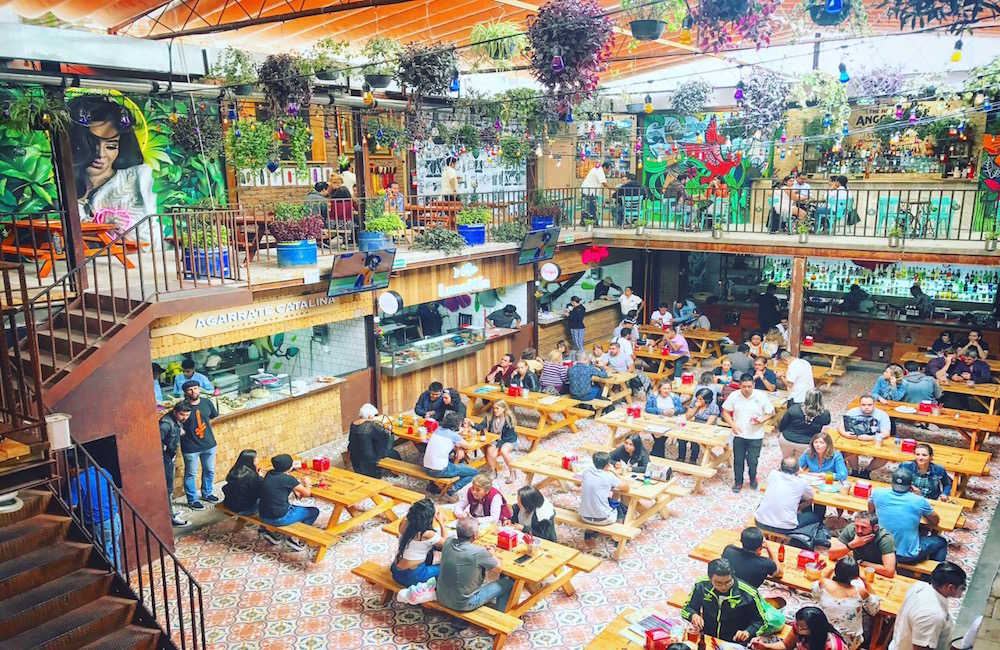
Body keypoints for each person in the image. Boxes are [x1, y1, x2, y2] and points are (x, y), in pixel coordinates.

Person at [69, 95, 156, 236]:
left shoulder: (138, 180)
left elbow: (151, 234)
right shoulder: (64, 184)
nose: (100, 155)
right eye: (92, 145)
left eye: (110, 147)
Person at [869, 468, 947, 564]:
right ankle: (937, 570)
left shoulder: (877, 493)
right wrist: (920, 496)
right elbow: (935, 521)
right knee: (941, 542)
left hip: (879, 551)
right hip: (905, 556)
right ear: (911, 485)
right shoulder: (919, 500)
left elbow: (871, 512)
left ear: (892, 482)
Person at [436, 517, 514, 612]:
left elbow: (446, 538)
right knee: (509, 582)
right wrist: (492, 554)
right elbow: (498, 568)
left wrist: (441, 523)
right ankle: (502, 613)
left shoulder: (448, 542)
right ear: (475, 535)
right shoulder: (479, 552)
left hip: (441, 597)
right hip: (464, 604)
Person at [681, 558, 768, 643]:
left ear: (733, 576)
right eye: (718, 583)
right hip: (707, 635)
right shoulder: (701, 585)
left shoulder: (749, 593)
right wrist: (693, 615)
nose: (723, 587)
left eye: (728, 582)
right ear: (710, 578)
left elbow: (762, 622)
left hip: (735, 641)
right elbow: (687, 608)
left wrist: (748, 632)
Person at [888, 562, 966, 650]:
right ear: (950, 588)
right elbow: (920, 647)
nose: (962, 592)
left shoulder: (920, 586)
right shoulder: (932, 615)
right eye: (962, 588)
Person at [723, 373, 776, 492]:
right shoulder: (734, 395)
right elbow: (725, 412)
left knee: (753, 461)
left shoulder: (761, 396)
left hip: (756, 435)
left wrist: (761, 419)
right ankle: (738, 482)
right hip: (739, 434)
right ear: (739, 386)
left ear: (753, 385)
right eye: (744, 387)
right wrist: (733, 425)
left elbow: (771, 412)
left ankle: (753, 479)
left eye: (749, 386)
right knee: (738, 460)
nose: (747, 389)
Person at [258, 454, 320, 549]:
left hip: (263, 515)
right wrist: (307, 483)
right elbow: (307, 494)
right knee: (314, 511)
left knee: (294, 507)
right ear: (290, 467)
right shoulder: (288, 479)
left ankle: (272, 532)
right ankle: (295, 538)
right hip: (278, 518)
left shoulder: (269, 473)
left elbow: (291, 491)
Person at [69, 463, 122, 570]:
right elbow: (111, 489)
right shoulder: (102, 471)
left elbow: (71, 505)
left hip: (100, 523)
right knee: (114, 550)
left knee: (108, 555)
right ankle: (119, 574)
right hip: (114, 517)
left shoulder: (78, 480)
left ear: (76, 467)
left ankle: (116, 578)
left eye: (69, 469)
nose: (69, 473)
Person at [179, 381, 219, 510]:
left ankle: (207, 493)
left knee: (209, 470)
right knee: (191, 474)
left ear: (199, 389)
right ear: (185, 392)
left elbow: (213, 416)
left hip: (209, 444)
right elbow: (174, 420)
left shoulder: (207, 402)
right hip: (190, 447)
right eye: (190, 389)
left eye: (195, 388)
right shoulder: (182, 406)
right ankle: (192, 500)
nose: (193, 391)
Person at [755, 457, 820, 535]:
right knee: (814, 516)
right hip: (785, 527)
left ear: (781, 467)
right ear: (798, 469)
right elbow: (811, 496)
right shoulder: (802, 482)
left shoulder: (773, 474)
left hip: (760, 521)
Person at [422, 412, 479, 496]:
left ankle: (436, 487)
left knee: (459, 467)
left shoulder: (437, 430)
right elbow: (468, 446)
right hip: (439, 470)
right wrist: (461, 446)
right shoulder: (453, 436)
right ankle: (452, 489)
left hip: (426, 467)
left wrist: (459, 448)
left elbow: (450, 441)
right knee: (474, 472)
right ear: (457, 424)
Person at [391, 498, 444, 587]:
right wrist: (441, 523)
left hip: (395, 570)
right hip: (412, 576)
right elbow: (446, 543)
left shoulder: (404, 523)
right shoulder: (427, 534)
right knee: (446, 567)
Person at [829, 511, 897, 578]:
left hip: (879, 574)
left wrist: (861, 563)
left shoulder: (885, 539)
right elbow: (831, 555)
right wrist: (852, 545)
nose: (859, 531)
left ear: (875, 528)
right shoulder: (851, 529)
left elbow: (889, 571)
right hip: (858, 570)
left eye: (863, 527)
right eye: (857, 526)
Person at [840, 394, 892, 477]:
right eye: (863, 405)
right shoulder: (852, 412)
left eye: (869, 405)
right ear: (860, 404)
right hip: (855, 440)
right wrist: (845, 434)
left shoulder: (882, 415)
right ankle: (855, 471)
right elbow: (840, 426)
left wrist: (870, 438)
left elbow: (886, 433)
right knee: (847, 451)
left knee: (884, 457)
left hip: (874, 441)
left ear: (874, 404)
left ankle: (866, 472)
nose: (866, 407)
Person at [753, 606, 849, 650]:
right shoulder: (798, 627)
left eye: (803, 628)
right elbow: (786, 645)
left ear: (815, 629)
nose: (798, 629)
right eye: (797, 624)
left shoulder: (834, 646)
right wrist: (766, 647)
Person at [579, 451, 630, 533]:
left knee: (604, 498)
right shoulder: (609, 476)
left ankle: (590, 532)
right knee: (618, 500)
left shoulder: (586, 472)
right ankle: (618, 532)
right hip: (604, 519)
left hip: (584, 517)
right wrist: (614, 472)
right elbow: (626, 488)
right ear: (608, 465)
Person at [160, 402, 192, 527]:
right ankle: (171, 518)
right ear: (175, 412)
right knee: (168, 489)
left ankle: (171, 512)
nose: (185, 418)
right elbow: (158, 444)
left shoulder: (175, 420)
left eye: (187, 415)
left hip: (170, 456)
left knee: (170, 488)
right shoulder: (165, 425)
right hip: (165, 459)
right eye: (182, 415)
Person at [348, 403, 401, 478]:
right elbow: (385, 439)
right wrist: (388, 430)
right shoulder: (372, 426)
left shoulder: (353, 424)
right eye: (374, 415)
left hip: (356, 461)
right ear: (370, 416)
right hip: (370, 463)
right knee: (394, 453)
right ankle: (397, 473)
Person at [778, 389, 831, 460]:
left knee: (787, 460)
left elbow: (782, 424)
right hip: (806, 444)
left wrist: (780, 432)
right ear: (820, 399)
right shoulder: (824, 414)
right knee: (800, 463)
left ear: (806, 397)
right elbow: (827, 422)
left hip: (786, 440)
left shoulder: (793, 408)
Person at [477, 400, 519, 483]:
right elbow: (481, 426)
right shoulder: (490, 417)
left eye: (497, 408)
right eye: (494, 408)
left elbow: (508, 437)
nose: (495, 410)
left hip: (508, 440)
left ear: (503, 409)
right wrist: (472, 424)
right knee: (489, 451)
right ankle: (493, 471)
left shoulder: (509, 419)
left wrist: (497, 447)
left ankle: (512, 472)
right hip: (495, 440)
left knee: (503, 451)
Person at [221, 449, 264, 516]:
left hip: (228, 503)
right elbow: (259, 492)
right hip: (244, 508)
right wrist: (260, 477)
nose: (258, 459)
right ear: (251, 460)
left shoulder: (234, 470)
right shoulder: (252, 476)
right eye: (256, 458)